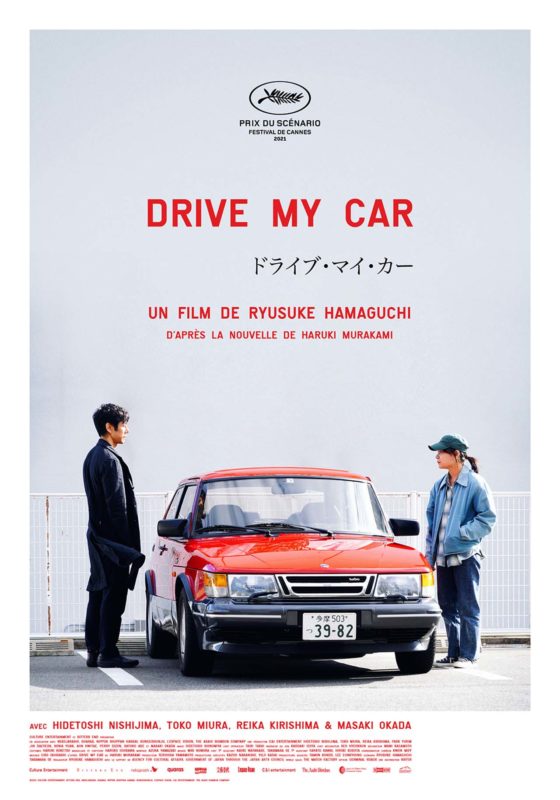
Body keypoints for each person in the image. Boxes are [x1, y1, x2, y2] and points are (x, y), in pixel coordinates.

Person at [425, 434, 496, 668]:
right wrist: (429, 555)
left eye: (441, 452)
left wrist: (461, 533)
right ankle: (453, 653)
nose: (437, 456)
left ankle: (469, 655)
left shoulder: (475, 483)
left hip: (466, 555)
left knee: (468, 606)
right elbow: (431, 523)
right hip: (443, 557)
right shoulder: (439, 485)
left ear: (456, 454)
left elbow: (487, 519)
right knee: (447, 606)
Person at [83, 403, 145, 668]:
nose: (127, 430)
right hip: (113, 541)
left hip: (97, 536)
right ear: (110, 427)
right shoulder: (109, 459)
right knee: (114, 595)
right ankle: (108, 652)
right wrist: (126, 548)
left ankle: (94, 650)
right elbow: (118, 508)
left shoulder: (92, 456)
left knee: (98, 591)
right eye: (123, 425)